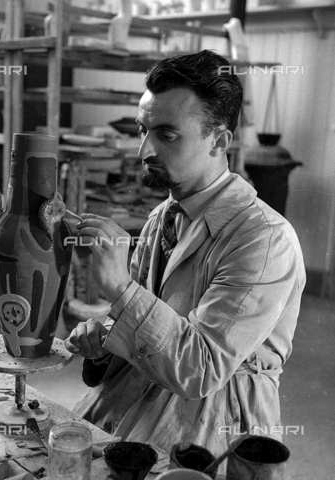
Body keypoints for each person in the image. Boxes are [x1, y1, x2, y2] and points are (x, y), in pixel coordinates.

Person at [64, 50, 306, 466]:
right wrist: (103, 341)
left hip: (214, 415)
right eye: (143, 131)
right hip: (139, 388)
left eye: (166, 135)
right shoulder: (163, 216)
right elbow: (142, 320)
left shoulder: (264, 240)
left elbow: (201, 368)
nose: (144, 151)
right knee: (59, 455)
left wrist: (121, 289)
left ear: (219, 141)